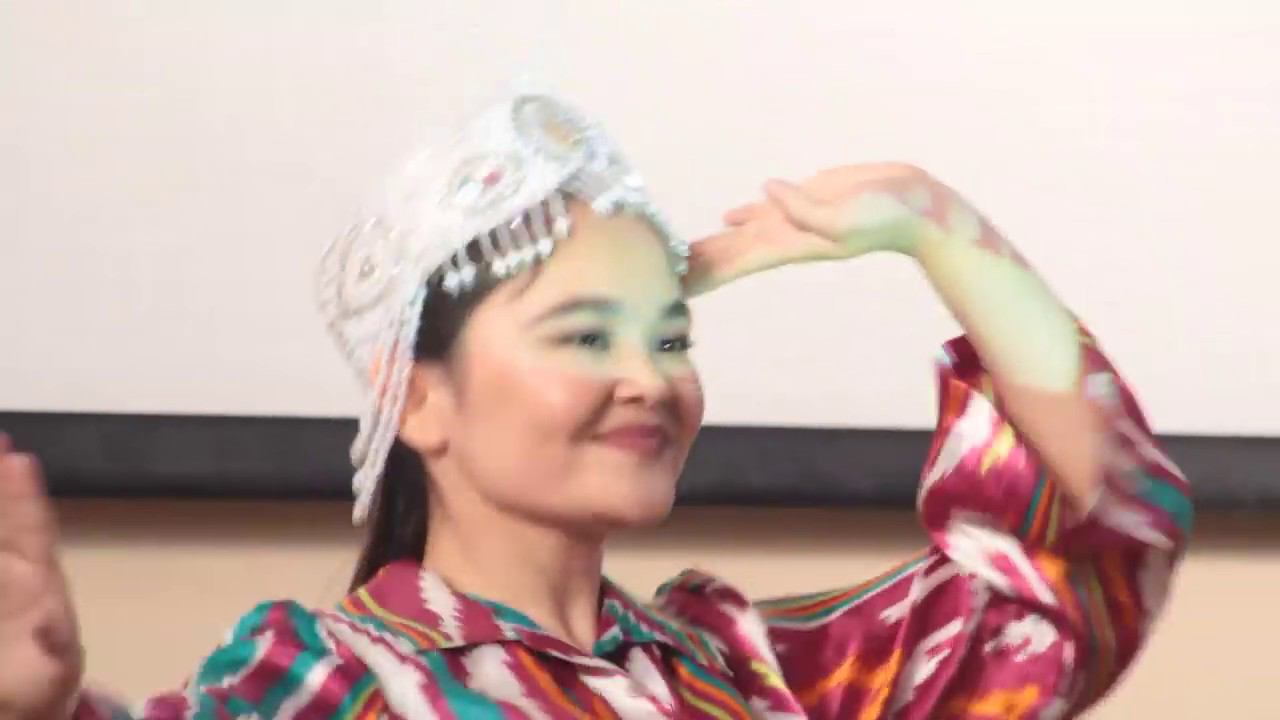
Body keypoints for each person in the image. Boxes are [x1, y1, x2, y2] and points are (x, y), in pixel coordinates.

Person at [0, 85, 1192, 720]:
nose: (650, 378)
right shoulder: (335, 681)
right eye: (584, 335)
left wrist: (940, 231)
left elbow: (1078, 580)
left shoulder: (753, 673)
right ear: (418, 402)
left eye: (669, 337)